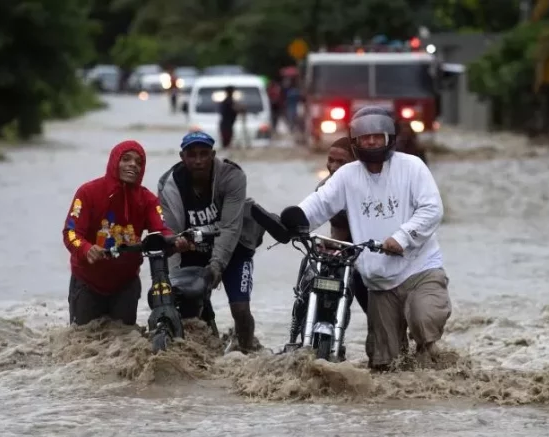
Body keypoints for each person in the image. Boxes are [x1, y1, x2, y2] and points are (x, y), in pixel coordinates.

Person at [284, 106, 452, 371]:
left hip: (420, 269)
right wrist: (292, 220)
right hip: (378, 282)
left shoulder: (412, 167)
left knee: (423, 320)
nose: (371, 141)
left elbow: (432, 209)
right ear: (355, 141)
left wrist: (402, 237)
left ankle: (433, 367)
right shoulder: (347, 175)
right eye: (365, 136)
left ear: (389, 138)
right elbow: (320, 203)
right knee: (385, 365)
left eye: (377, 135)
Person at [157, 131, 264, 353]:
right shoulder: (169, 184)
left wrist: (216, 266)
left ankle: (247, 353)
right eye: (192, 155)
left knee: (241, 309)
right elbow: (171, 233)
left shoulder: (232, 176)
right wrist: (172, 283)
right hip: (193, 249)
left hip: (234, 247)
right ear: (182, 157)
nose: (198, 161)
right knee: (187, 307)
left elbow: (230, 227)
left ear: (213, 155)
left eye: (204, 154)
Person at [63, 140, 189, 326]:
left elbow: (161, 229)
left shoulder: (148, 200)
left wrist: (175, 241)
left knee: (124, 342)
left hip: (126, 284)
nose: (133, 165)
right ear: (114, 162)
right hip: (87, 283)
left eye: (139, 162)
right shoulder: (88, 193)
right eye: (126, 159)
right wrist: (86, 249)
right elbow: (70, 232)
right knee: (84, 344)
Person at [314, 137, 368, 315]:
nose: (334, 167)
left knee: (372, 309)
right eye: (331, 160)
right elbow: (336, 228)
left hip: (370, 251)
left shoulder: (369, 188)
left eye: (341, 162)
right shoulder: (324, 188)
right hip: (344, 249)